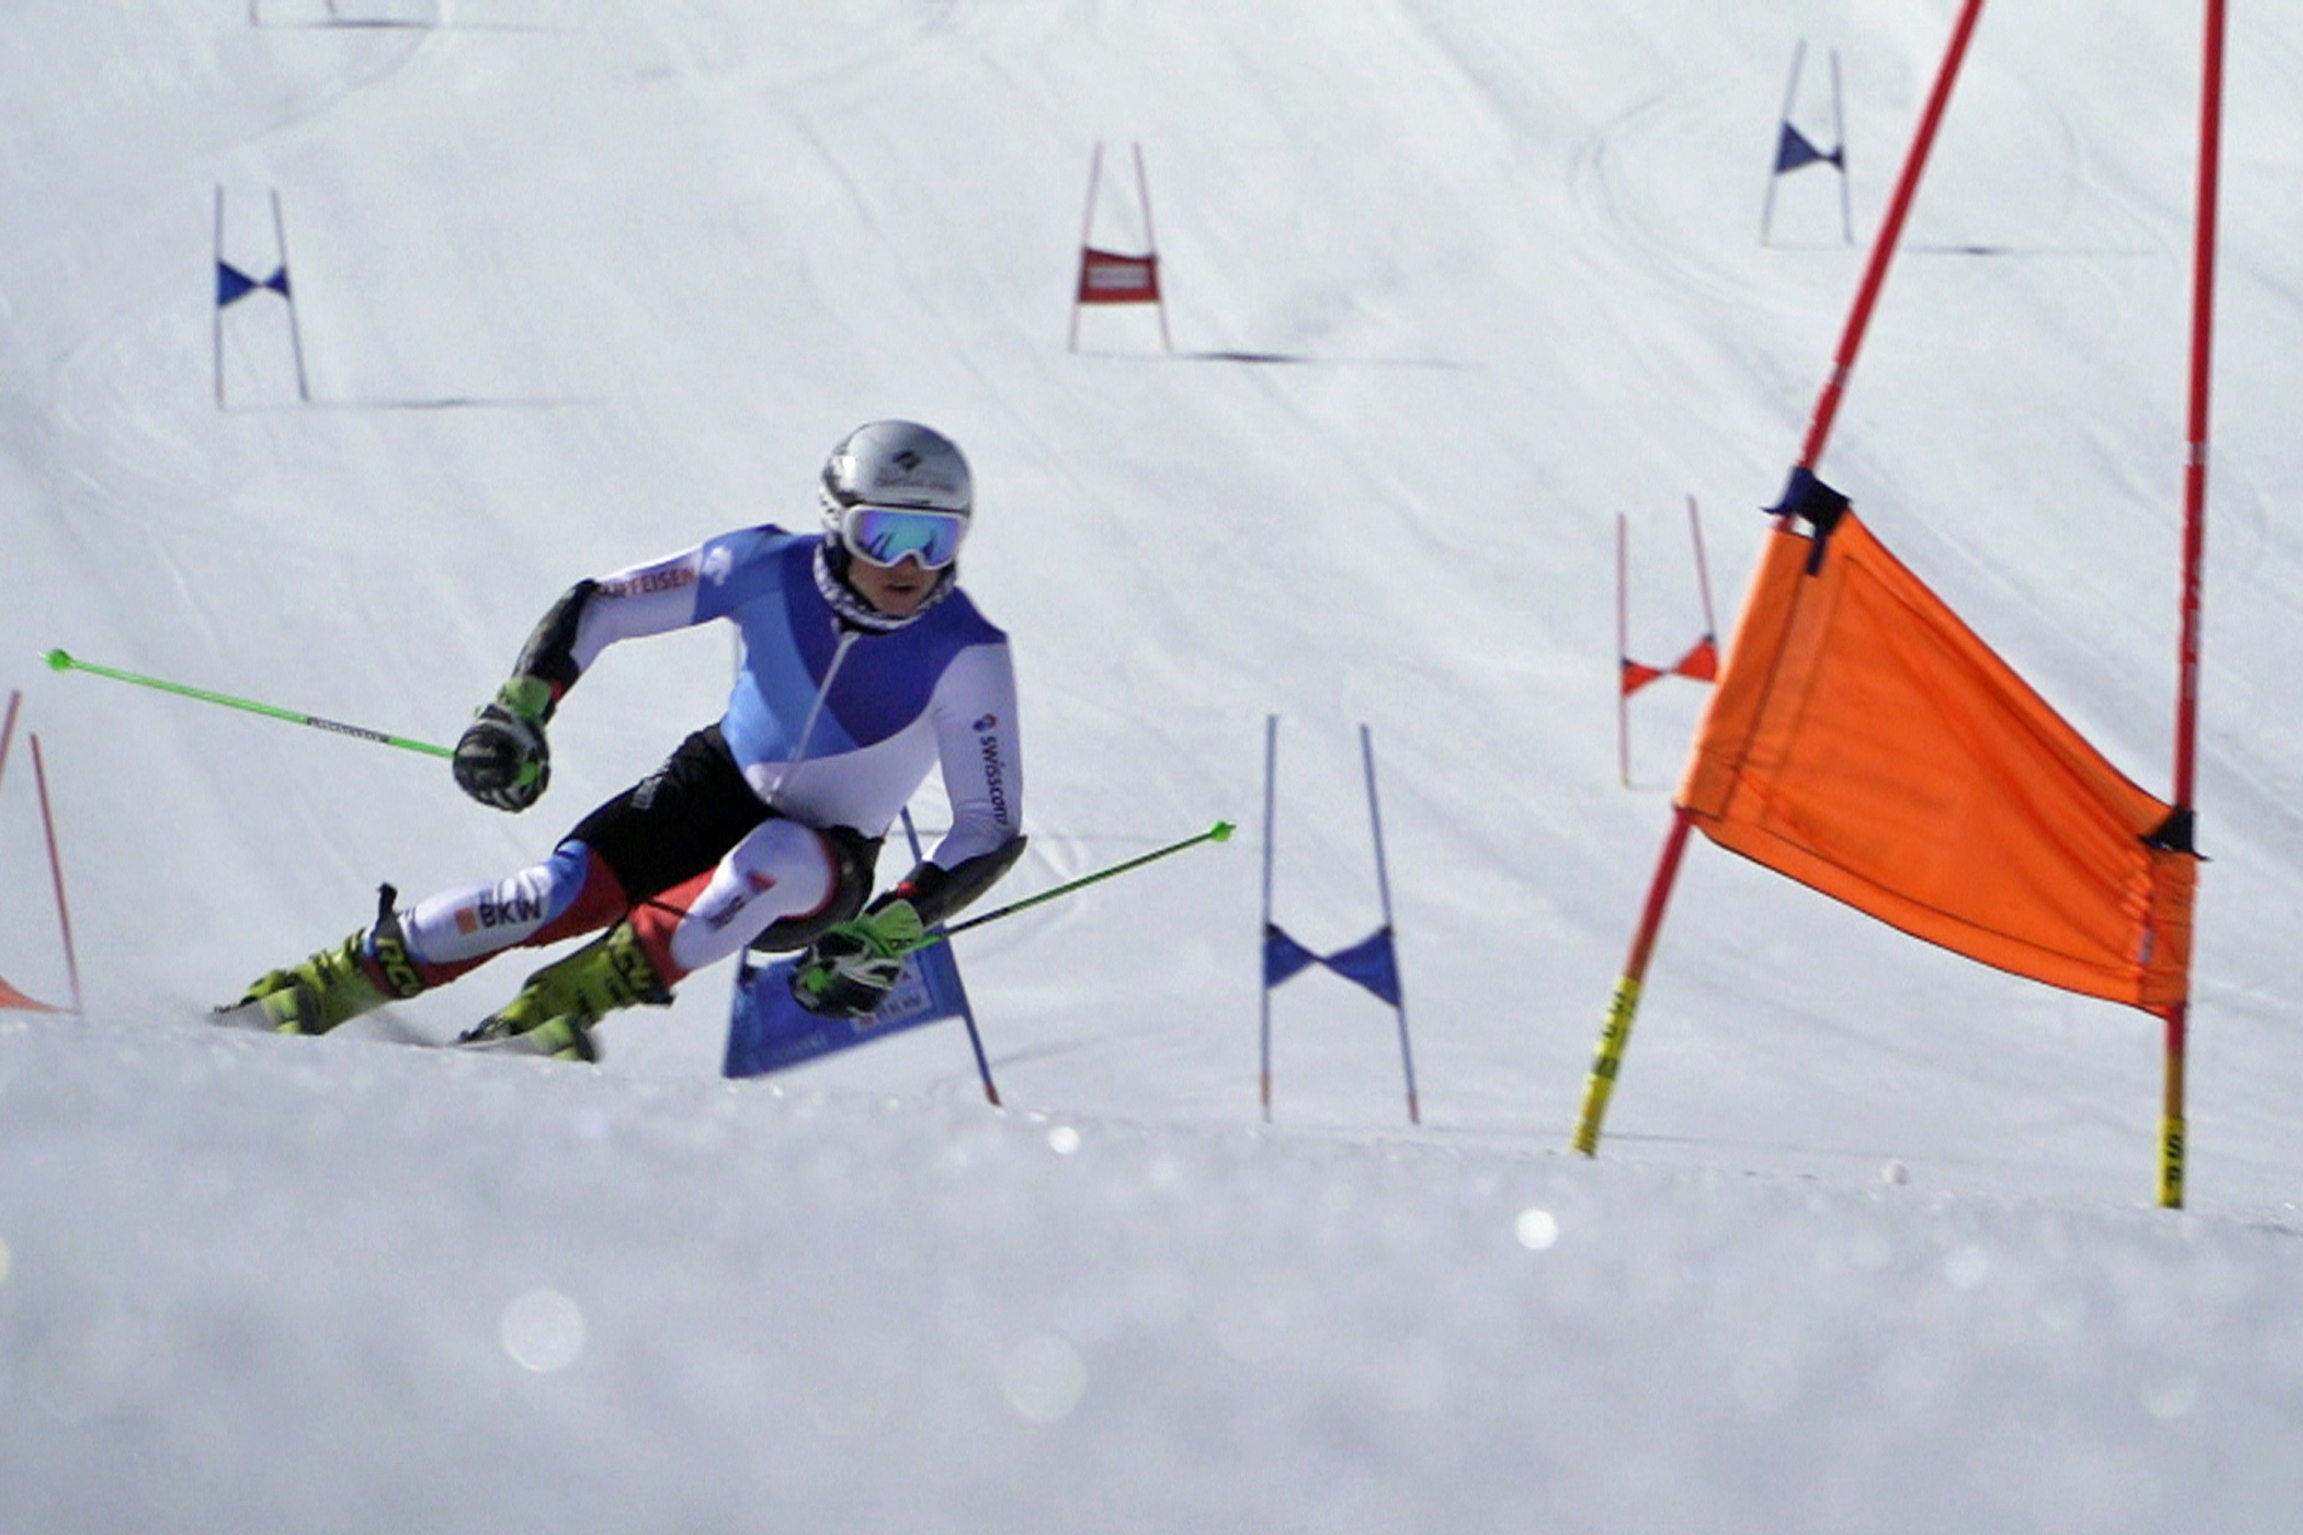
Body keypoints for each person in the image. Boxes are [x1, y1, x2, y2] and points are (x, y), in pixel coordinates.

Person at [220, 420, 1026, 1060]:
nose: (909, 563)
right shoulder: (764, 564)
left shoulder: (969, 652)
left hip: (825, 861)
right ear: (836, 524)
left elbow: (987, 825)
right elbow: (602, 603)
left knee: (772, 855)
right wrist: (519, 709)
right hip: (710, 784)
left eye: (935, 539)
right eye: (884, 533)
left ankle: (560, 1006)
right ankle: (325, 984)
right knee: (552, 893)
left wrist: (888, 928)